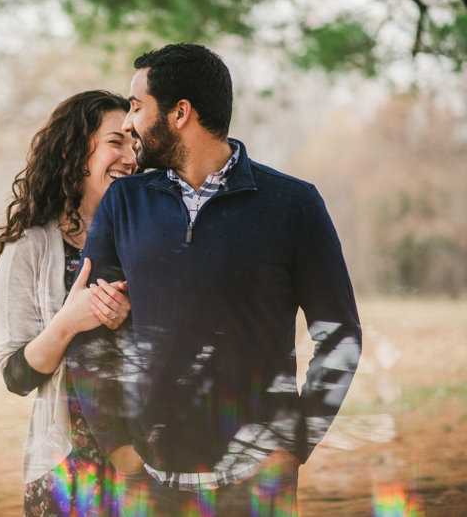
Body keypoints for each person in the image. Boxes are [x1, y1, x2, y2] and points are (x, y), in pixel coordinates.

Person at [66, 44, 362, 516]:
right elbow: (88, 328)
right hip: (150, 486)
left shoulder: (294, 205)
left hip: (257, 487)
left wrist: (292, 450)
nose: (127, 123)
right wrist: (118, 447)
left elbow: (340, 335)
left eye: (138, 107)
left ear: (180, 112)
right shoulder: (123, 203)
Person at [0, 90, 138, 517]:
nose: (130, 157)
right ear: (72, 151)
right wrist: (68, 322)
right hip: (69, 466)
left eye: (134, 143)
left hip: (147, 461)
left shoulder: (144, 237)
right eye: (116, 142)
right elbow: (15, 376)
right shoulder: (30, 248)